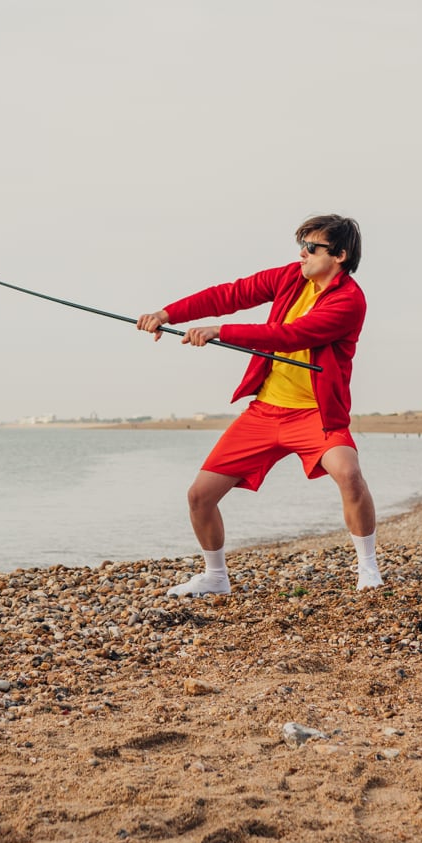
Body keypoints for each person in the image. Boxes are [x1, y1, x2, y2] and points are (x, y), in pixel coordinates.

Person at [136, 214, 378, 595]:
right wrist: (167, 314)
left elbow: (290, 334)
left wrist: (221, 331)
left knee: (348, 474)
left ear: (340, 256)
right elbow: (229, 294)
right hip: (265, 412)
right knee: (199, 496)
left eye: (312, 247)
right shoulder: (290, 277)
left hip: (316, 415)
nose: (302, 253)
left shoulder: (349, 300)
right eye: (302, 245)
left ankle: (368, 570)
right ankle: (215, 577)